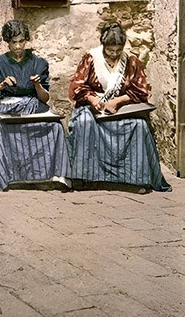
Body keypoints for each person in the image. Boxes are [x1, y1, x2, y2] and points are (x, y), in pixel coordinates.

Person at [67, 23, 171, 192]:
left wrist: (117, 101)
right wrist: (92, 98)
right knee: (84, 124)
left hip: (120, 109)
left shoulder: (130, 61)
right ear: (103, 46)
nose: (114, 55)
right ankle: (83, 177)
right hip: (92, 107)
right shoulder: (91, 58)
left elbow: (141, 91)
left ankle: (136, 180)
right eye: (110, 51)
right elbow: (76, 87)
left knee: (139, 126)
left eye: (118, 50)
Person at [0, 19, 70, 191]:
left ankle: (53, 175)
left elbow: (45, 98)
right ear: (8, 42)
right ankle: (4, 173)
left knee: (55, 126)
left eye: (21, 42)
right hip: (6, 106)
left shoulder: (38, 63)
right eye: (14, 42)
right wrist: (2, 84)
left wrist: (37, 85)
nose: (18, 46)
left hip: (33, 105)